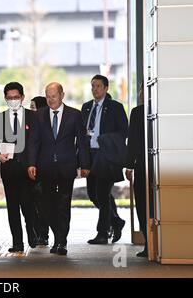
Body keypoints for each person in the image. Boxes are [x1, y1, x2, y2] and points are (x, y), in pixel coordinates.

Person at [28, 83, 90, 255]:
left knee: (63, 204)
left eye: (53, 96)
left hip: (66, 167)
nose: (50, 100)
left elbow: (82, 142)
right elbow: (33, 141)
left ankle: (61, 241)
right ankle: (57, 235)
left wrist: (84, 165)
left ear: (62, 95)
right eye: (47, 96)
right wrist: (32, 163)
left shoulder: (74, 115)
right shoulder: (39, 115)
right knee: (46, 206)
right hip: (45, 167)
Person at [81, 74, 128, 245]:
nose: (95, 89)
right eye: (93, 86)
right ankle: (116, 221)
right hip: (90, 155)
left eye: (98, 86)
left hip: (106, 155)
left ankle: (102, 233)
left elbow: (124, 131)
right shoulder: (86, 107)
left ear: (106, 88)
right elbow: (82, 133)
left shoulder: (115, 107)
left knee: (102, 193)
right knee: (93, 194)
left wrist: (103, 138)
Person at [0, 82, 37, 252]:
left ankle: (32, 232)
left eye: (16, 97)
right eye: (9, 98)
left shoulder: (34, 117)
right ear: (5, 98)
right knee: (12, 207)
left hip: (28, 168)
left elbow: (37, 142)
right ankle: (17, 242)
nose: (13, 100)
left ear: (22, 97)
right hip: (9, 168)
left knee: (28, 204)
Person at [125, 85, 148, 257]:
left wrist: (129, 165)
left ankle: (149, 243)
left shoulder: (137, 112)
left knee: (142, 204)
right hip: (161, 164)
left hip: (141, 165)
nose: (140, 93)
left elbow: (132, 141)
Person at [29, 96, 50, 245]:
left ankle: (43, 234)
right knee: (32, 204)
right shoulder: (29, 123)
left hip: (43, 170)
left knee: (43, 204)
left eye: (33, 107)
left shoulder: (45, 125)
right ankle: (37, 233)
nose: (31, 110)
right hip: (30, 169)